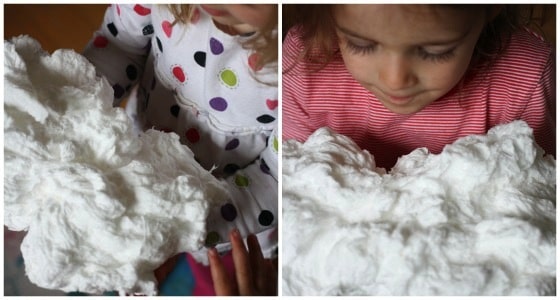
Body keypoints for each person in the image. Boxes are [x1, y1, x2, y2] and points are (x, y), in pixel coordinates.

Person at [83, 4, 278, 295]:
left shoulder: (305, 66)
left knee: (217, 279)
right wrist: (75, 105)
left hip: (234, 217)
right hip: (143, 152)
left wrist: (180, 227)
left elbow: (275, 179)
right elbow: (118, 44)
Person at [283, 4, 555, 169]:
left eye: (434, 51)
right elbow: (290, 166)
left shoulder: (526, 79)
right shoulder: (304, 60)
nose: (395, 80)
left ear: (490, 10)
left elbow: (539, 185)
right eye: (361, 45)